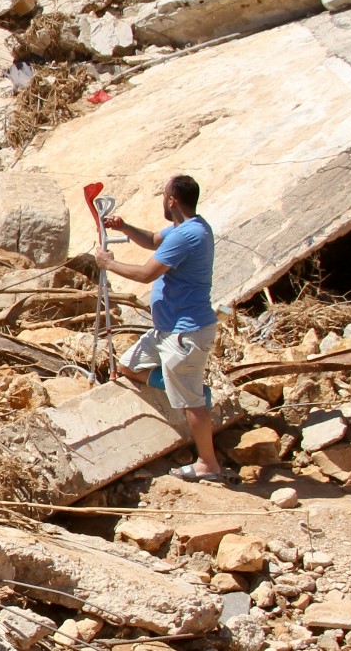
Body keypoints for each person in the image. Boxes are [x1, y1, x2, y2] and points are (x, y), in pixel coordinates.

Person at [95, 174, 223, 483]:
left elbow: (145, 274)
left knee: (191, 402)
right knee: (128, 366)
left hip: (185, 333)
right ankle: (184, 387)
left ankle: (208, 464)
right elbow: (154, 240)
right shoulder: (187, 229)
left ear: (172, 201)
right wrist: (124, 228)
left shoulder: (189, 235)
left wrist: (108, 263)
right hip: (168, 331)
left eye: (163, 195)